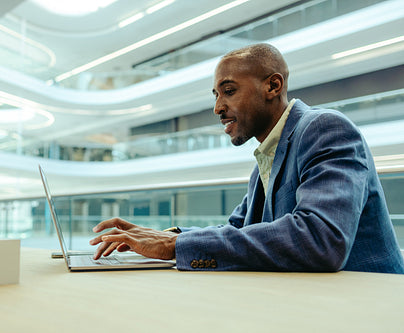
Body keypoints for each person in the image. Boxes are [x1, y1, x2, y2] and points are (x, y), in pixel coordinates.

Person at [89, 43, 404, 273]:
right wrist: (168, 236)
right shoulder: (266, 160)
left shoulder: (324, 128)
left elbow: (320, 239)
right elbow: (237, 229)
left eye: (228, 91)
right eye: (216, 95)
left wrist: (175, 247)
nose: (217, 108)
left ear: (272, 85)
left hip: (370, 307)